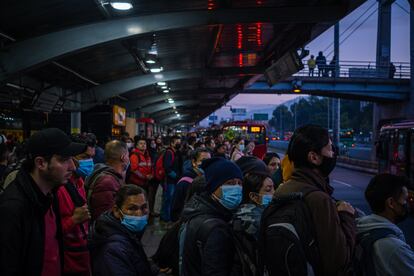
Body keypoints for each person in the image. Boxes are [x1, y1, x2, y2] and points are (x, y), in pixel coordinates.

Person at [0, 128, 86, 276]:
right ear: (41, 163)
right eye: (64, 159)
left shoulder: (50, 194)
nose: (72, 166)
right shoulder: (13, 208)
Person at [272, 125, 356, 275]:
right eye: (330, 149)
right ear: (314, 157)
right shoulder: (319, 200)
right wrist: (346, 216)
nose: (333, 154)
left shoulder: (283, 190)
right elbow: (338, 262)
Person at [181, 157, 243, 275]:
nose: (236, 188)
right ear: (213, 187)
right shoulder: (216, 229)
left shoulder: (198, 210)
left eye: (239, 183)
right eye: (230, 183)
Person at [89, 184, 156, 275]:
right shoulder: (113, 249)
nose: (139, 213)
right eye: (132, 208)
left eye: (144, 207)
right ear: (116, 211)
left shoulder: (128, 233)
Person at [356, 174, 414, 276]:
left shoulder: (363, 226)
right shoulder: (395, 248)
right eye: (405, 199)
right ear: (391, 203)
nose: (407, 204)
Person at [56, 134, 93, 276]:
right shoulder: (59, 188)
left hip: (82, 254)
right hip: (68, 260)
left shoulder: (80, 182)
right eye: (84, 157)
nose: (89, 162)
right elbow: (51, 232)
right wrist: (74, 220)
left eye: (90, 157)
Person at [88, 140, 129, 221]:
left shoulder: (112, 176)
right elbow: (104, 218)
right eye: (128, 155)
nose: (129, 158)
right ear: (123, 157)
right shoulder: (107, 182)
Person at [171, 148, 211, 221]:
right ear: (194, 162)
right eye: (203, 161)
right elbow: (176, 208)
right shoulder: (184, 183)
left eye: (209, 161)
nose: (207, 164)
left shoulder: (208, 178)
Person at [234, 172, 275, 240]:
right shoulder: (252, 219)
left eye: (274, 188)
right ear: (253, 196)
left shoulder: (261, 211)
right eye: (268, 189)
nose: (274, 193)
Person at [160, 136, 182, 223]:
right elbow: (167, 168)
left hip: (175, 180)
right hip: (169, 181)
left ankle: (168, 216)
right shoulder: (169, 153)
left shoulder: (177, 152)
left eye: (179, 142)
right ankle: (166, 217)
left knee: (171, 199)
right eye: (177, 142)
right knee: (168, 199)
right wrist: (176, 176)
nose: (178, 144)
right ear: (172, 143)